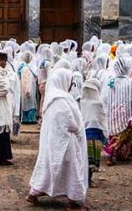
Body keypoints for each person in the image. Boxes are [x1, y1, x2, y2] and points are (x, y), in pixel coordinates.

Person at [27, 67, 88, 210]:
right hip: (66, 143)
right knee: (71, 170)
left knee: (47, 168)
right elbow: (69, 122)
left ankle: (34, 193)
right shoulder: (61, 100)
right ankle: (74, 202)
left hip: (51, 142)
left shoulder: (51, 98)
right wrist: (78, 128)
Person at [102, 56, 132, 164]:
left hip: (113, 111)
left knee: (113, 134)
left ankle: (112, 155)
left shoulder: (111, 80)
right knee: (125, 135)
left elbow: (107, 97)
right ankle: (120, 154)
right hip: (125, 112)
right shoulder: (129, 81)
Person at [79, 77, 106, 183]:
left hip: (85, 132)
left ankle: (86, 178)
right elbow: (102, 118)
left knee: (85, 157)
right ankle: (89, 179)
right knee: (93, 158)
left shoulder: (82, 102)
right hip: (96, 133)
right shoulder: (98, 103)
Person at [18, 51, 39, 124]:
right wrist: (28, 91)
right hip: (28, 89)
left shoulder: (24, 67)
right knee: (28, 104)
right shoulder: (26, 68)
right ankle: (29, 119)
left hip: (25, 89)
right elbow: (26, 81)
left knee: (27, 103)